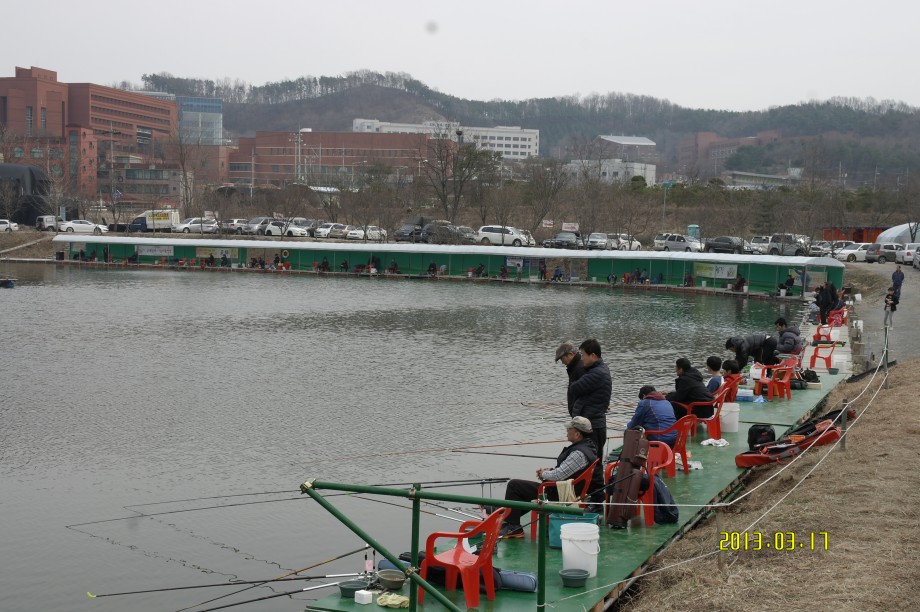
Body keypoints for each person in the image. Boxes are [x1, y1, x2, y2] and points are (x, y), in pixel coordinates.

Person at [491, 417, 602, 538]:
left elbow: (559, 475)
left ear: (577, 434)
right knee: (523, 491)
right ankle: (508, 520)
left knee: (514, 486)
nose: (566, 431)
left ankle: (513, 526)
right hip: (566, 489)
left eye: (569, 429)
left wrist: (543, 474)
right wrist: (549, 471)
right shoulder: (587, 447)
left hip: (561, 494)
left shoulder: (578, 453)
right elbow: (567, 471)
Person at [568, 339, 612, 464]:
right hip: (593, 424)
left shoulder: (597, 373)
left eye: (583, 355)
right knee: (590, 461)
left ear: (593, 355)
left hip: (594, 426)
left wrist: (576, 371)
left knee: (593, 463)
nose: (582, 359)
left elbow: (574, 388)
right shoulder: (596, 370)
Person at [555, 341, 586, 417]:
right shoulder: (574, 367)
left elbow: (584, 395)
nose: (562, 362)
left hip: (582, 415)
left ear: (570, 354)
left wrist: (577, 413)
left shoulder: (580, 368)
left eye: (562, 359)